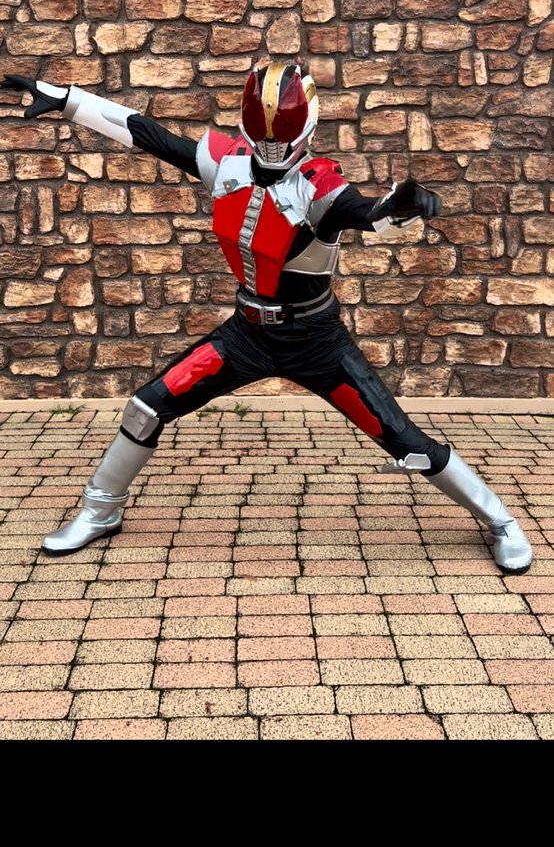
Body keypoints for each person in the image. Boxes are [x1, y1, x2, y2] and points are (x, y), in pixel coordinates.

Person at [2, 63, 532, 573]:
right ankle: (100, 510)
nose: (273, 145)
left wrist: (402, 207)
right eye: (263, 132)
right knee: (146, 408)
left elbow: (368, 215)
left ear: (306, 127)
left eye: (282, 133)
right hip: (246, 334)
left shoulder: (321, 188)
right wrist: (68, 100)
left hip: (316, 341)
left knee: (402, 439)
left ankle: (501, 521)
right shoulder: (227, 164)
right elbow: (149, 134)